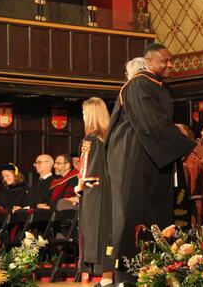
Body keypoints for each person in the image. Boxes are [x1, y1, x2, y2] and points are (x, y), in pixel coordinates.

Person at [106, 43, 203, 284]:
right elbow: (152, 124)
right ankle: (128, 276)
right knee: (134, 214)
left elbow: (160, 125)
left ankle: (155, 270)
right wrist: (193, 147)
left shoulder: (157, 86)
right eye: (164, 61)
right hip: (134, 159)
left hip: (150, 157)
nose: (169, 65)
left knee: (155, 213)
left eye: (170, 60)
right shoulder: (138, 85)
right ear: (148, 61)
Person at [75, 97, 114, 287]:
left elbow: (85, 169)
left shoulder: (90, 139)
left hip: (93, 192)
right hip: (109, 191)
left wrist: (79, 186)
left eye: (83, 113)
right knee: (107, 232)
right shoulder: (108, 137)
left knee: (93, 232)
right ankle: (108, 277)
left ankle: (103, 279)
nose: (82, 117)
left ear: (90, 115)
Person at [0, 163, 28, 230]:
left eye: (7, 176)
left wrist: (0, 210)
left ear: (16, 175)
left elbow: (19, 211)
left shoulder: (24, 190)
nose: (5, 179)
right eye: (3, 177)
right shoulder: (3, 190)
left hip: (14, 226)